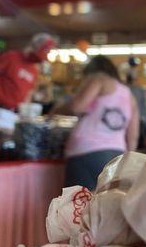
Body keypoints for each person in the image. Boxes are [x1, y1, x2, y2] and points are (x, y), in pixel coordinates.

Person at [53, 55, 139, 190]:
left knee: (77, 205)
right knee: (106, 205)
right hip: (117, 154)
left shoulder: (98, 79)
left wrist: (57, 109)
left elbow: (77, 106)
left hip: (86, 150)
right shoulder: (129, 94)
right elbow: (133, 135)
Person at [0, 33, 56, 131]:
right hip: (0, 112)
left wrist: (27, 113)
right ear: (34, 47)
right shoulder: (11, 57)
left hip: (18, 117)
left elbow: (28, 95)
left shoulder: (34, 70)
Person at [126, 71, 146, 149]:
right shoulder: (139, 89)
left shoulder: (125, 89)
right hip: (138, 119)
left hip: (129, 119)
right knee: (136, 146)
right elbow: (144, 105)